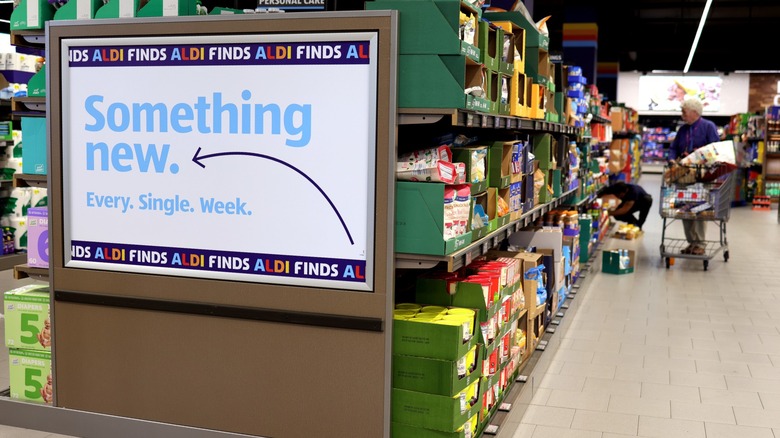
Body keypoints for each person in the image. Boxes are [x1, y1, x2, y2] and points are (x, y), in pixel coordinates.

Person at [668, 97, 720, 255]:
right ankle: (691, 242)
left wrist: (697, 155)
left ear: (695, 112)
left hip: (701, 175)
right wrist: (671, 159)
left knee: (699, 209)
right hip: (683, 175)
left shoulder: (708, 127)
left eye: (684, 111)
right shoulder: (683, 130)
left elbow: (715, 150)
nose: (682, 114)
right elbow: (673, 148)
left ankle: (700, 243)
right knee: (685, 209)